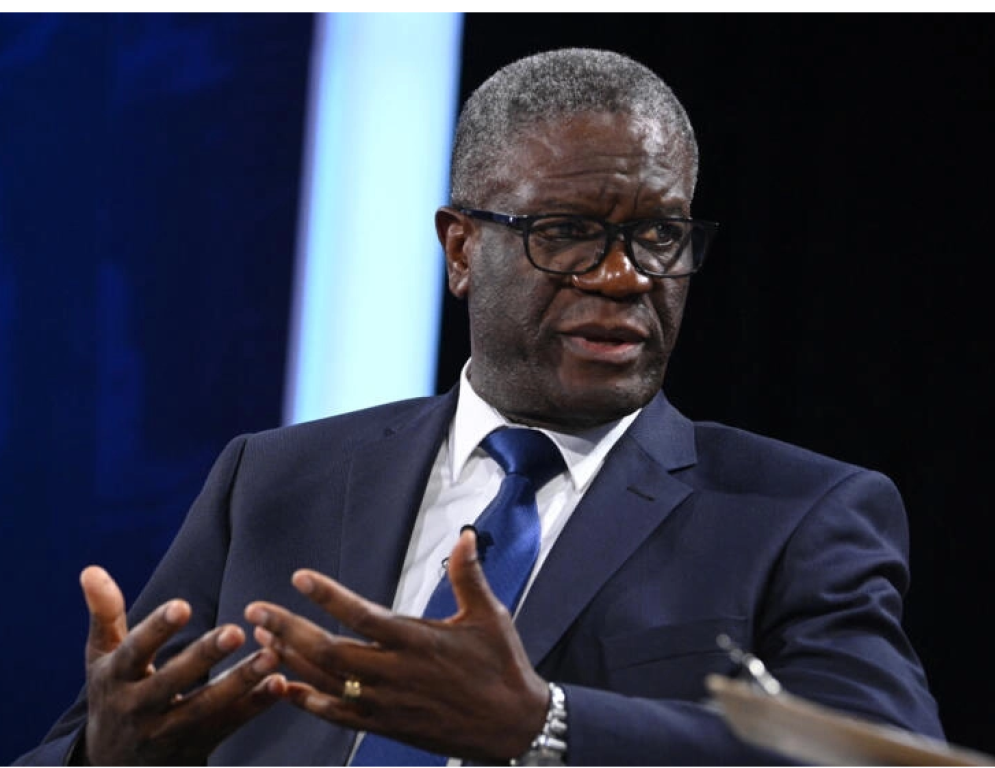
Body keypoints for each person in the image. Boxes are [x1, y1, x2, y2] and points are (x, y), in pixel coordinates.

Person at [17, 48, 943, 766]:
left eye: (658, 234)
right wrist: (106, 755)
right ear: (461, 250)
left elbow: (885, 757)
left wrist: (548, 727)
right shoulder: (271, 478)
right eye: (568, 233)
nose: (625, 277)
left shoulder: (796, 515)